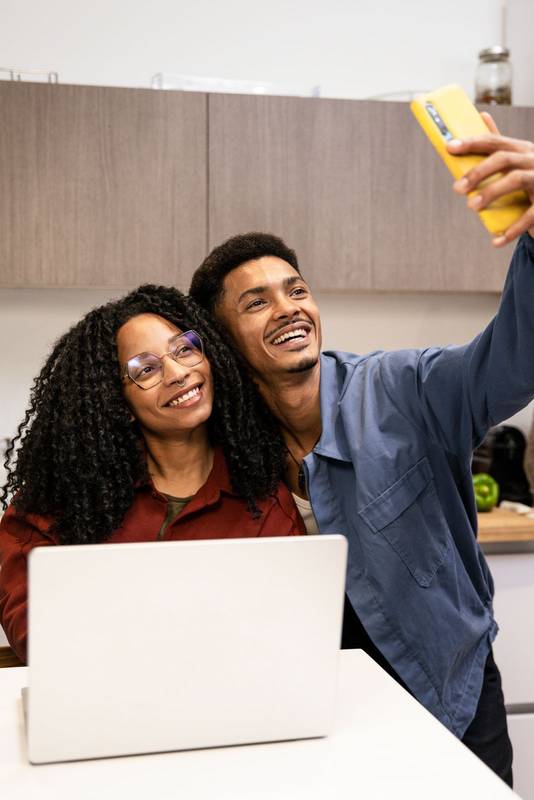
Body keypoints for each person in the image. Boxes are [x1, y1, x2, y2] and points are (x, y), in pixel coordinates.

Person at [189, 117, 534, 786]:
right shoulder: (224, 446)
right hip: (323, 724)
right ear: (222, 338)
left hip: (450, 703)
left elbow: (514, 361)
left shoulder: (406, 387)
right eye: (255, 302)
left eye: (296, 290)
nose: (288, 308)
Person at [0, 284, 304, 664]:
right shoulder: (60, 500)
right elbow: (39, 636)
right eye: (146, 369)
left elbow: (290, 628)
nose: (178, 373)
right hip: (100, 708)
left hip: (230, 705)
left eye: (184, 349)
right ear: (118, 402)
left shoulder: (262, 494)